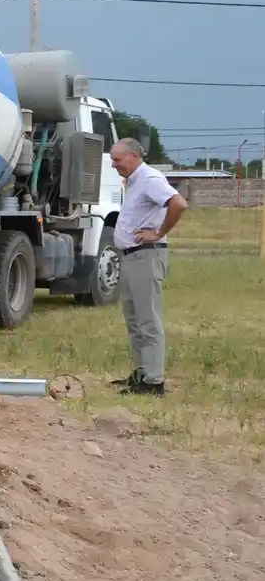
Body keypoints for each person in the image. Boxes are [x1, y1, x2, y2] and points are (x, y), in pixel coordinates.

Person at [109, 137, 186, 396]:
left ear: (133, 155)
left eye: (117, 160)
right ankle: (142, 372)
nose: (113, 165)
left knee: (148, 319)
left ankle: (154, 382)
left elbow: (178, 203)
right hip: (132, 256)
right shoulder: (134, 182)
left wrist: (159, 232)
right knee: (134, 318)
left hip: (147, 255)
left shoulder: (150, 179)